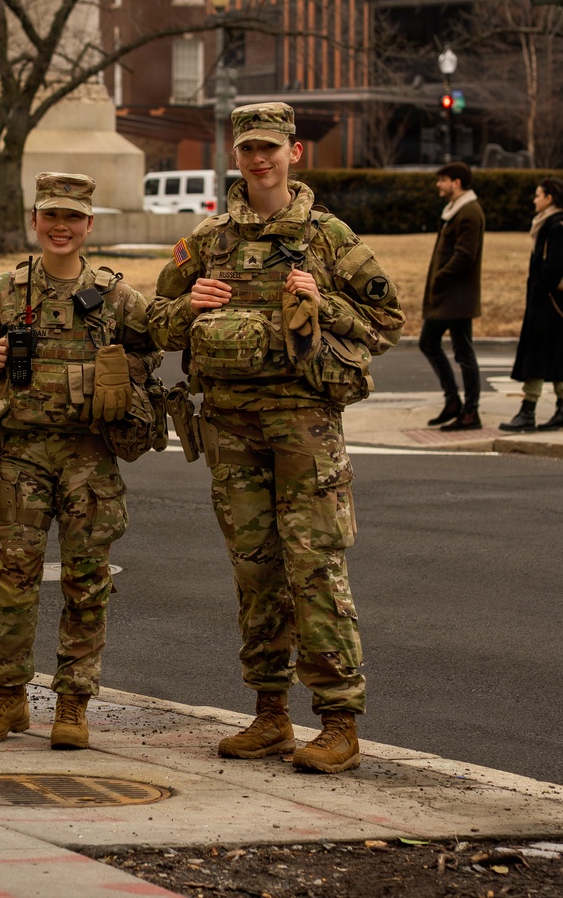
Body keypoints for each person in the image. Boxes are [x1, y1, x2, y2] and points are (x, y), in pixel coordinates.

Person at [148, 103, 403, 775]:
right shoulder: (206, 240)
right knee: (256, 571)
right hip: (231, 427)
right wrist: (187, 307)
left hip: (304, 426)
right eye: (248, 148)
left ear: (295, 153)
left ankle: (340, 722)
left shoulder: (329, 236)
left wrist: (324, 301)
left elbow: (387, 320)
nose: (259, 159)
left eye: (271, 147)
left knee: (314, 566)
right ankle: (269, 716)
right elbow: (153, 324)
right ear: (237, 155)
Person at [0, 172, 162, 751]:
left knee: (86, 578)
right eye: (51, 217)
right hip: (21, 455)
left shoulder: (116, 297)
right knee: (13, 577)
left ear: (89, 226)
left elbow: (152, 349)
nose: (62, 228)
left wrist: (120, 376)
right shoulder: (1, 291)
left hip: (89, 458)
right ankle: (8, 695)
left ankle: (73, 701)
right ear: (36, 222)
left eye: (73, 218)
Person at [419, 161, 486, 431]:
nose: (438, 184)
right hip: (450, 296)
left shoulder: (469, 212)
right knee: (435, 345)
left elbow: (465, 255)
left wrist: (440, 276)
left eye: (443, 180)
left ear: (456, 182)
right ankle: (455, 403)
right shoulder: (455, 210)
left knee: (460, 352)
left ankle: (469, 412)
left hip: (457, 298)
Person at [500, 175, 563, 433]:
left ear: (549, 198)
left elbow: (553, 268)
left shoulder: (556, 226)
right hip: (550, 302)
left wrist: (540, 289)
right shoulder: (549, 223)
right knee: (557, 356)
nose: (534, 200)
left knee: (536, 356)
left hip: (548, 302)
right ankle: (560, 409)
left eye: (538, 195)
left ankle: (528, 411)